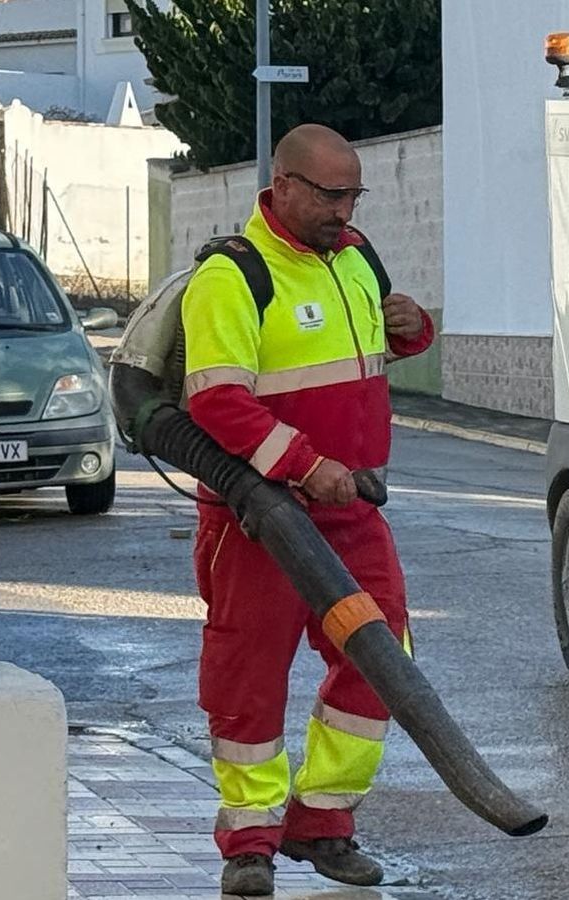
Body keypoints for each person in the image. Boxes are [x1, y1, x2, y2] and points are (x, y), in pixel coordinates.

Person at [180, 124, 434, 896]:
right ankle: (249, 843)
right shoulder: (233, 276)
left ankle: (322, 821)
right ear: (282, 186)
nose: (345, 209)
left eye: (354, 194)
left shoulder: (353, 257)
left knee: (381, 662)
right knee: (248, 678)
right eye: (331, 194)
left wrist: (412, 332)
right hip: (258, 519)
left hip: (350, 511)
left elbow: (363, 363)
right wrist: (303, 464)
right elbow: (216, 400)